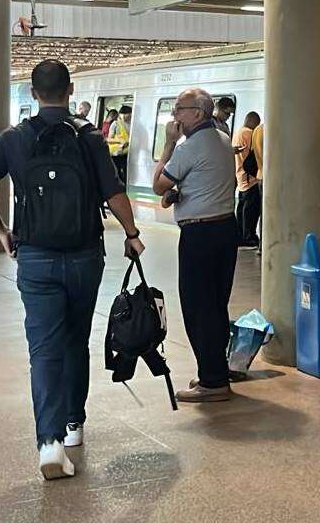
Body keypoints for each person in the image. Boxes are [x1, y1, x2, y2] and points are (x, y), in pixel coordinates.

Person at [0, 59, 145, 481]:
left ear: (34, 94)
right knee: (75, 339)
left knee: (44, 347)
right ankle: (73, 426)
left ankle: (47, 441)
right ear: (69, 90)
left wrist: (1, 232)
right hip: (84, 255)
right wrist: (132, 232)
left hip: (35, 257)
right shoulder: (88, 137)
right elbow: (114, 192)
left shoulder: (13, 138)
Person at [152, 88, 238, 402]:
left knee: (197, 307)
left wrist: (168, 144)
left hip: (200, 235)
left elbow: (158, 183)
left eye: (179, 109)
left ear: (198, 113)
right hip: (226, 229)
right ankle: (216, 371)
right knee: (215, 305)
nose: (174, 116)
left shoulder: (190, 147)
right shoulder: (223, 139)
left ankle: (213, 382)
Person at [233, 111, 262, 247]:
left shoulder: (238, 133)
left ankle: (240, 236)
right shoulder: (249, 134)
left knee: (242, 207)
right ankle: (248, 236)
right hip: (250, 178)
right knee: (251, 210)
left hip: (240, 177)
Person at [107, 105, 132, 184]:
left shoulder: (132, 124)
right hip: (116, 153)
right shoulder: (115, 124)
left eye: (127, 115)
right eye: (123, 114)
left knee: (126, 173)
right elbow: (108, 139)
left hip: (126, 152)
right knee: (117, 172)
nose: (125, 117)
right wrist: (120, 141)